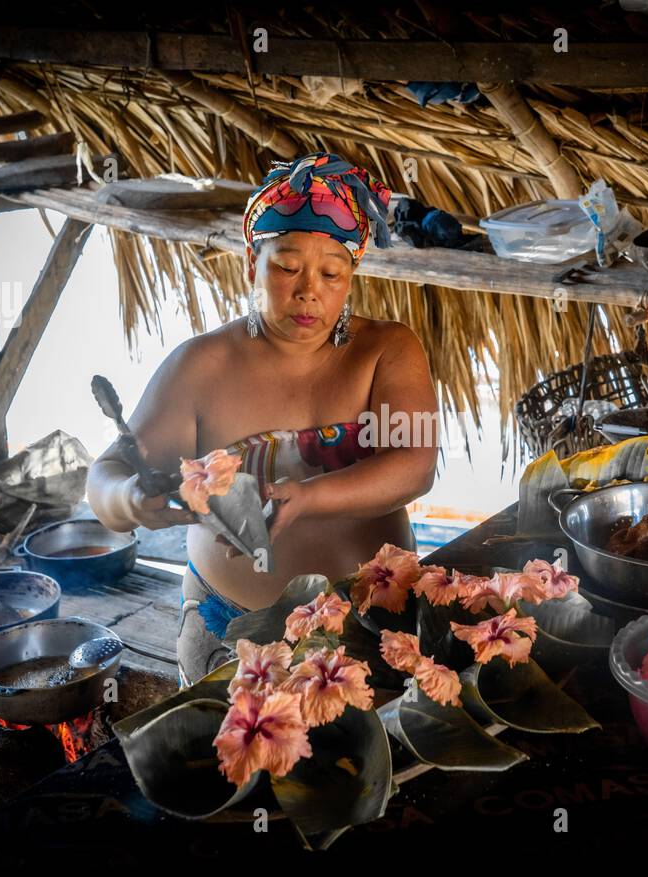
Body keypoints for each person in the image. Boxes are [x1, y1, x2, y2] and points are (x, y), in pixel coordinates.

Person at [87, 152, 438, 685]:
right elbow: (105, 477)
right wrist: (130, 499)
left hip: (371, 624)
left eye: (331, 273)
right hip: (231, 629)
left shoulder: (385, 351)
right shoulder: (201, 365)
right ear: (251, 261)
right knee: (231, 762)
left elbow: (416, 466)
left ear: (351, 277)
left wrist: (310, 498)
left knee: (364, 762)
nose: (308, 290)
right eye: (287, 266)